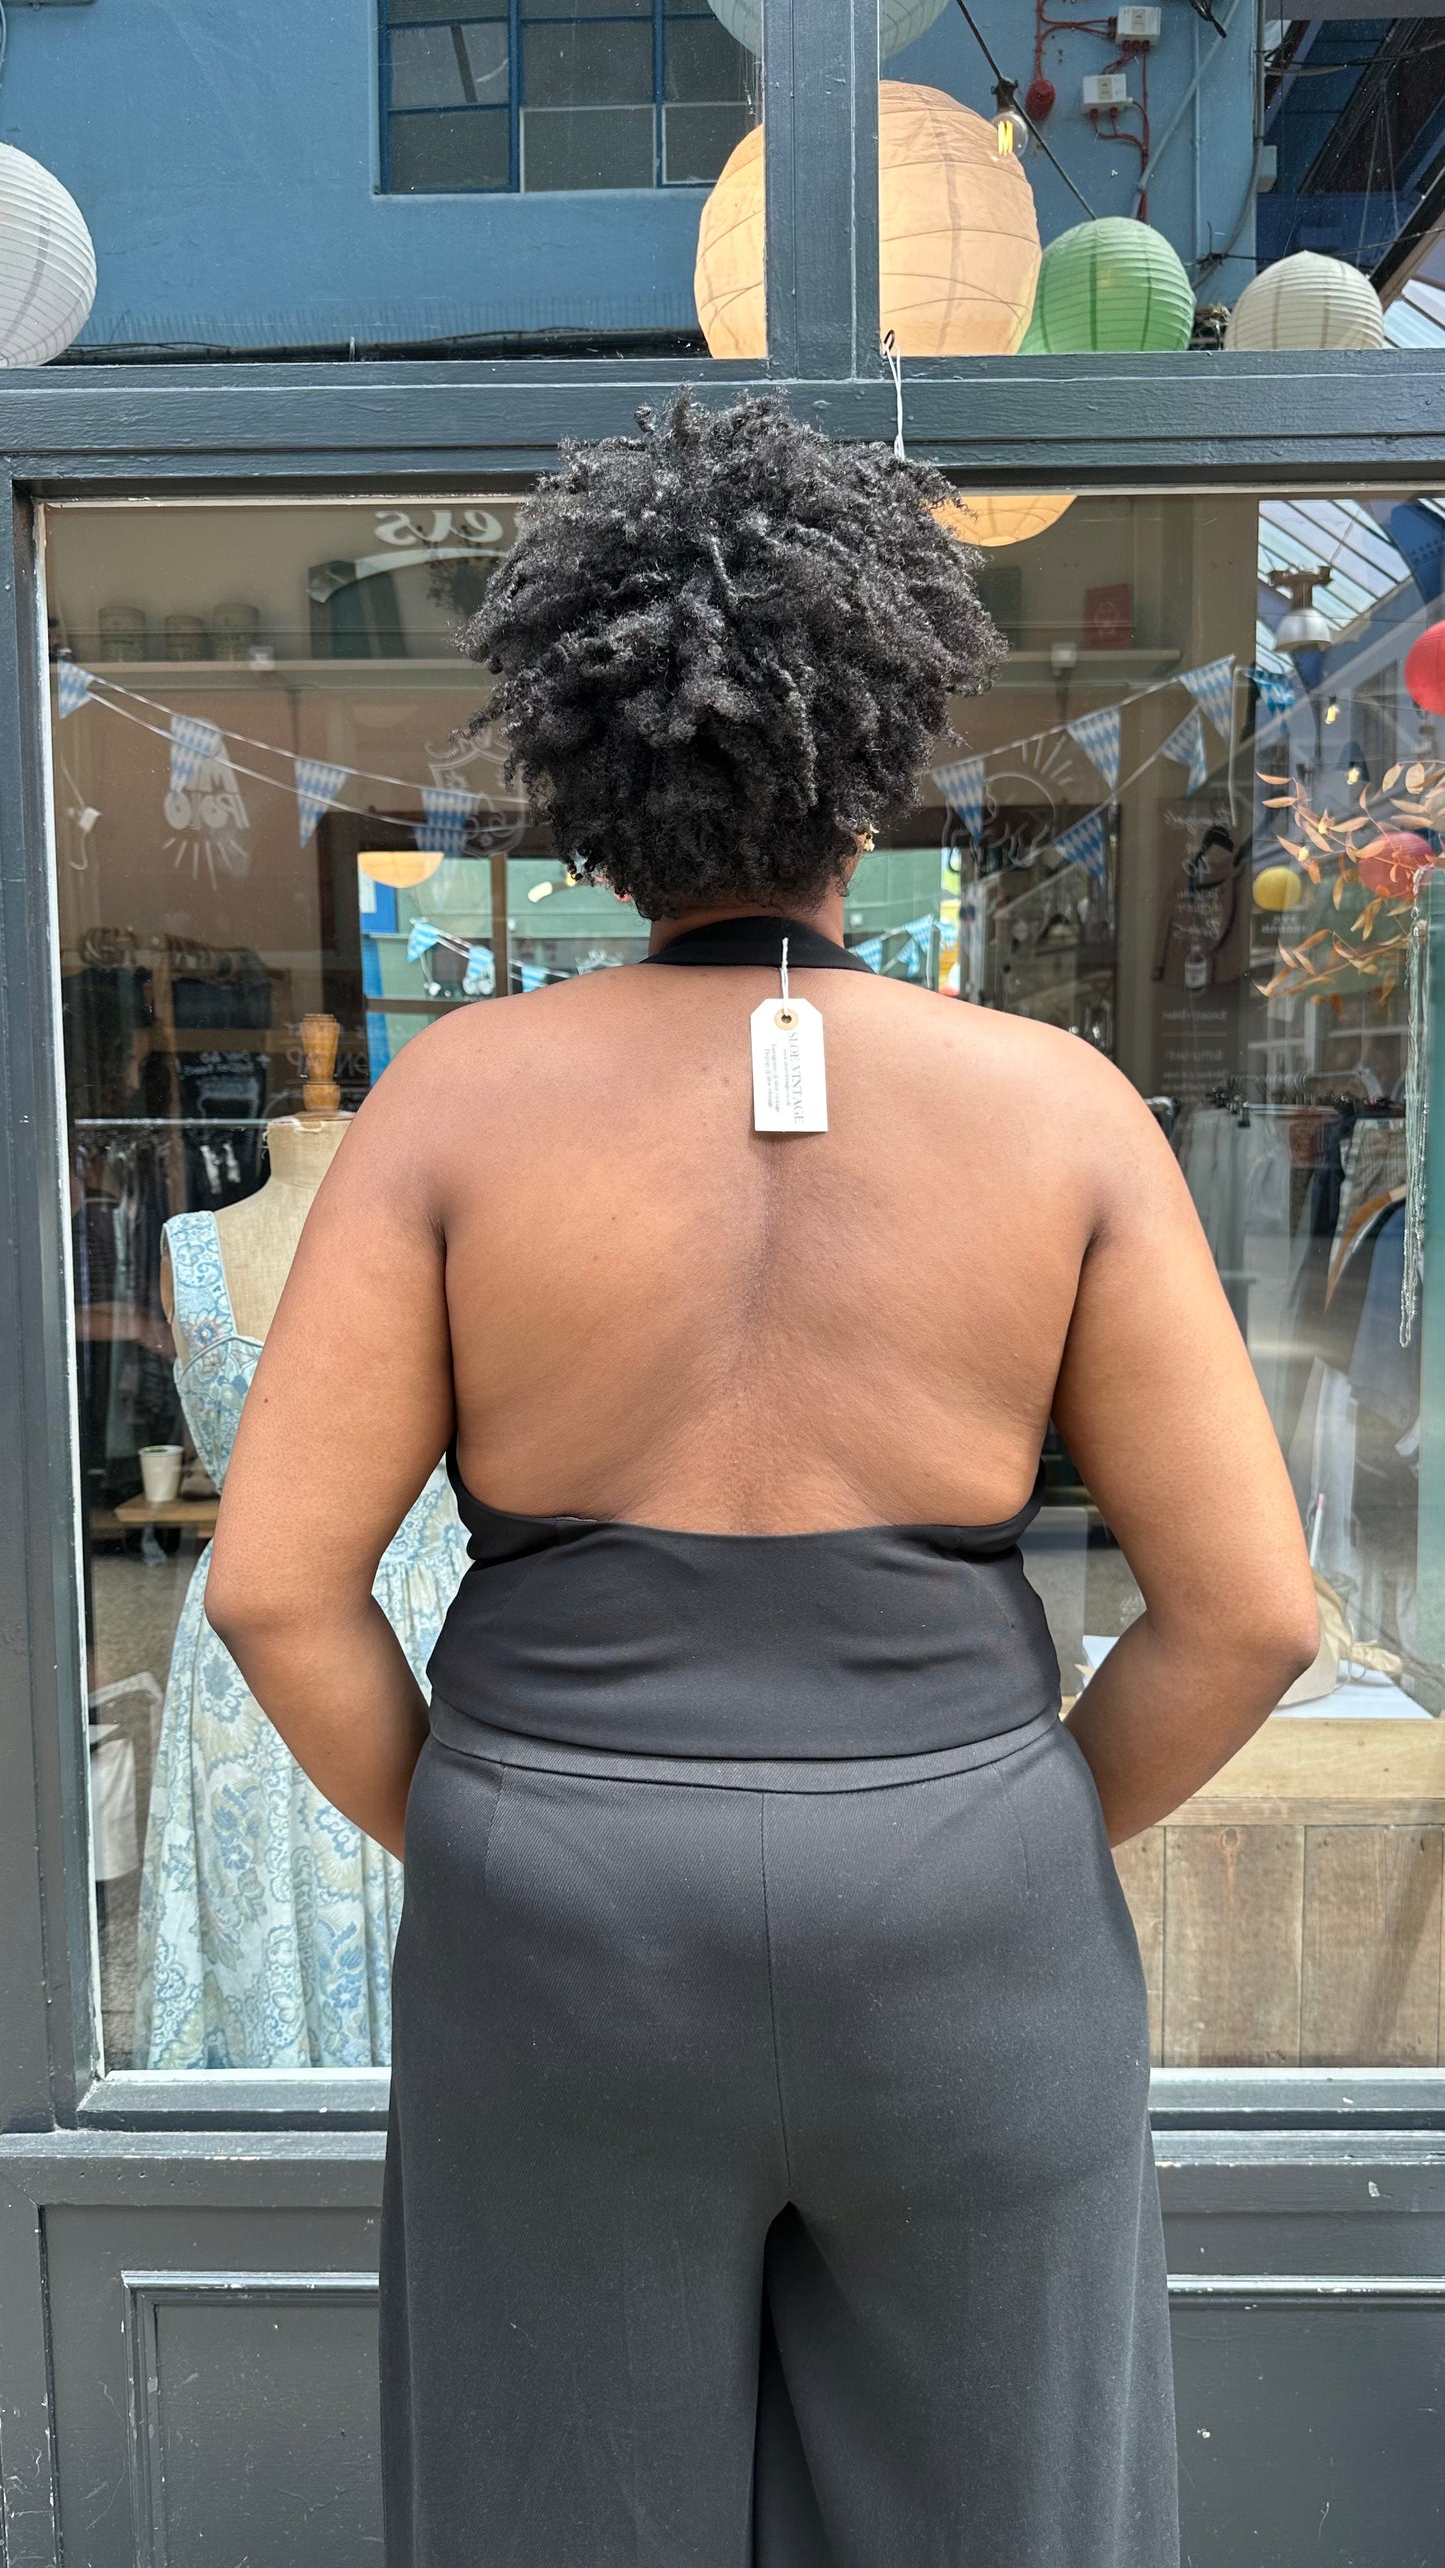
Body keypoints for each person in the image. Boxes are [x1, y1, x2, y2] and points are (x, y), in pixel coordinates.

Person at [206, 392, 1320, 2568]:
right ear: (876, 750)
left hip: (558, 1912)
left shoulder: (456, 1104)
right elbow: (1255, 1612)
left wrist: (499, 1824)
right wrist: (993, 1827)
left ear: (589, 773)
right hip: (972, 1913)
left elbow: (266, 1589)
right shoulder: (1058, 1105)